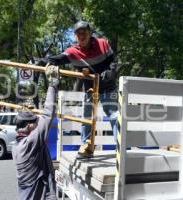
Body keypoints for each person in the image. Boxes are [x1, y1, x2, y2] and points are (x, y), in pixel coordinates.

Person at [42, 21, 118, 158]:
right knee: (87, 118)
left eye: (84, 33)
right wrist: (41, 62)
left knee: (113, 115)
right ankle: (86, 146)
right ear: (75, 36)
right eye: (78, 34)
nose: (82, 36)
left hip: (107, 87)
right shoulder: (73, 52)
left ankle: (119, 146)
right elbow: (56, 59)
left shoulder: (102, 43)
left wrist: (109, 73)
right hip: (90, 89)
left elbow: (114, 61)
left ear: (90, 34)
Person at [12, 65, 59, 200]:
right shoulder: (31, 142)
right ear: (27, 126)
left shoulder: (16, 146)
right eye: (34, 123)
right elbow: (47, 115)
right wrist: (52, 84)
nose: (37, 124)